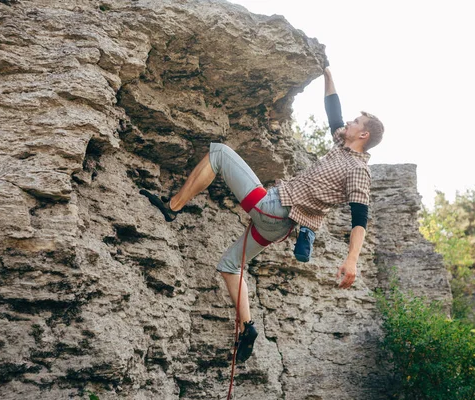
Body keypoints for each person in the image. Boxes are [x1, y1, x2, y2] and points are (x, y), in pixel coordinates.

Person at [140, 67, 384, 363]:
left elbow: (360, 219)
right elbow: (334, 111)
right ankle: (248, 328)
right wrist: (328, 75)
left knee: (218, 153)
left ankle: (172, 208)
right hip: (276, 228)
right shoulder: (341, 147)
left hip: (273, 208)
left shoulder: (358, 170)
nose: (347, 122)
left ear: (363, 134)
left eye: (355, 122)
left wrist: (352, 261)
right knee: (231, 266)